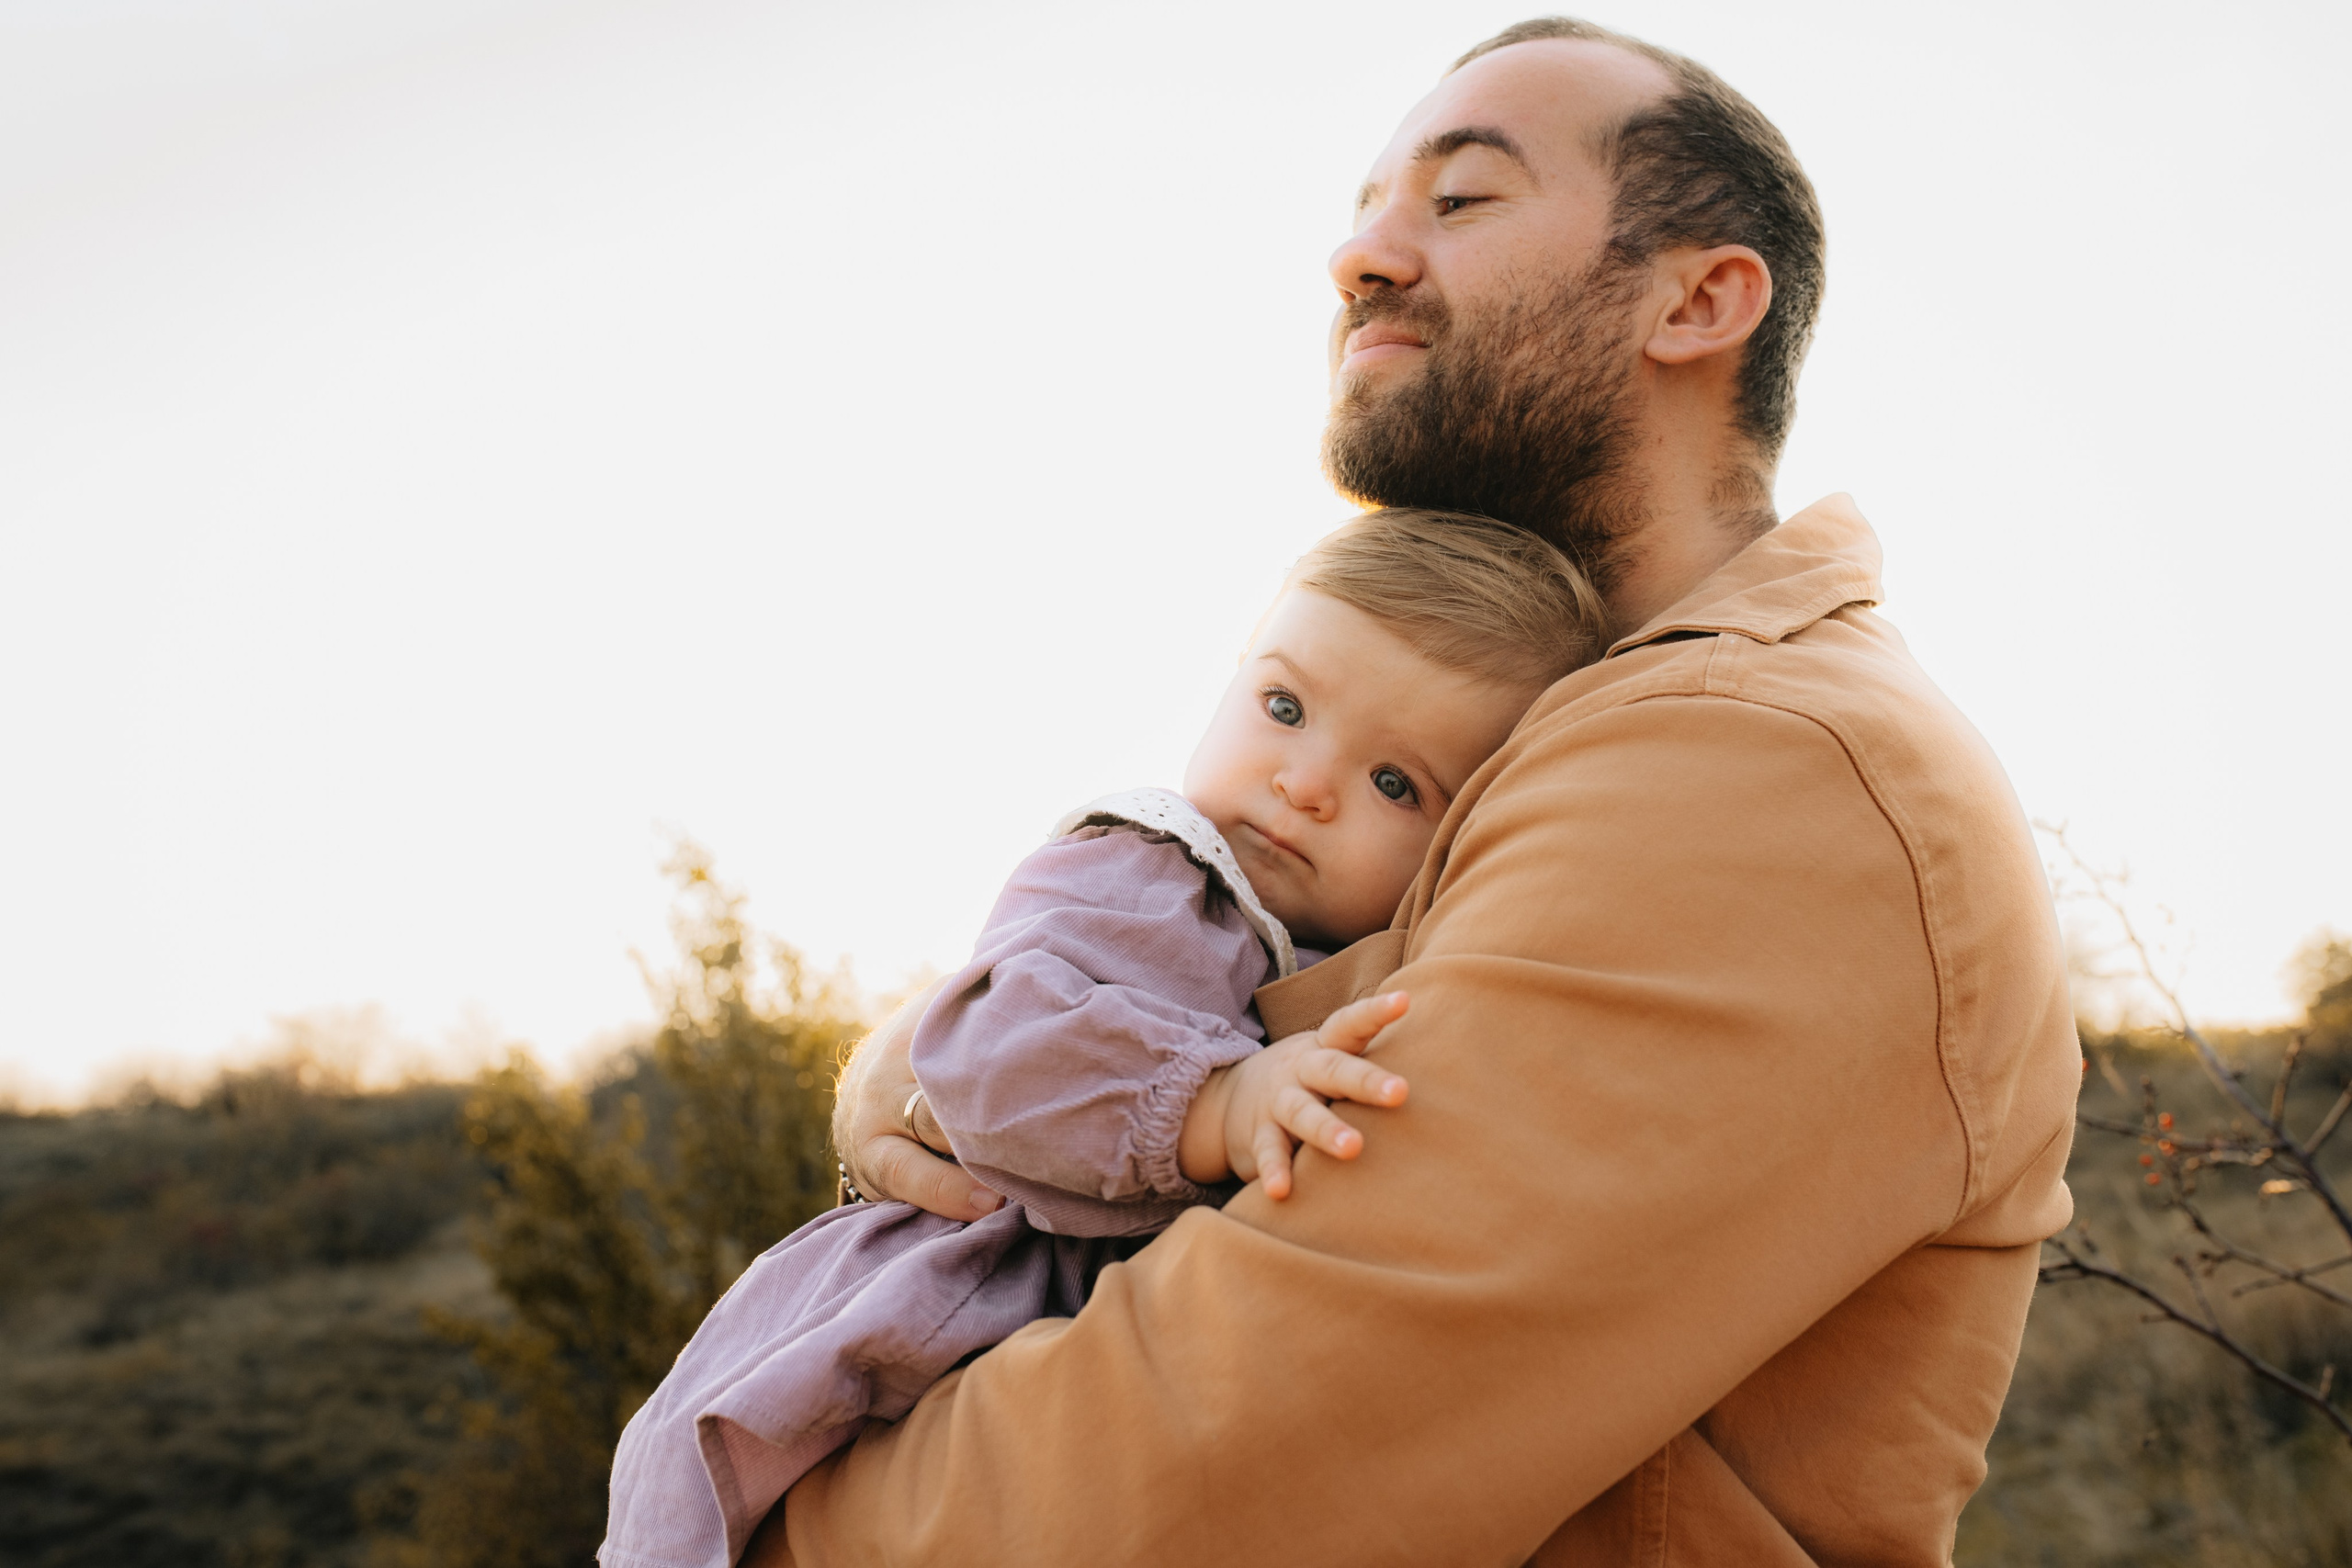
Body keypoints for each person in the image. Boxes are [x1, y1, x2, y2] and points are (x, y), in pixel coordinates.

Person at [749, 17, 2080, 1566]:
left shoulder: (1771, 764)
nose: (1360, 257)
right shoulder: (1553, 731)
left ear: (1700, 299)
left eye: (1460, 200)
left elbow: (1207, 1473)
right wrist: (939, 1068)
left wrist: (767, 1512)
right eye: (1369, 204)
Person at [600, 512, 1611, 1568]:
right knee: (711, 1511)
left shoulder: (1358, 953)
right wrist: (1215, 1104)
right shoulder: (1154, 872)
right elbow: (995, 1047)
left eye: (1393, 783)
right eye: (1283, 707)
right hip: (933, 1284)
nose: (1305, 783)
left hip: (1073, 1349)